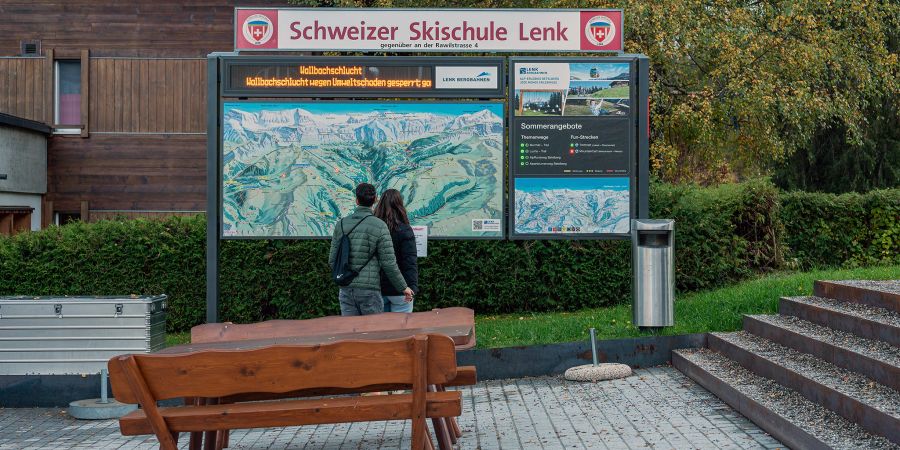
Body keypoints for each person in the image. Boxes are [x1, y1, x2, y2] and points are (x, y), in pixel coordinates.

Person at [328, 183, 414, 316]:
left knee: (350, 327)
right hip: (369, 291)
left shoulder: (341, 224)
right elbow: (389, 264)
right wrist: (403, 287)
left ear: (357, 200)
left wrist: (344, 278)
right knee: (373, 328)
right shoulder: (380, 225)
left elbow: (332, 260)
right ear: (375, 200)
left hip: (346, 289)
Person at [374, 189, 419, 313]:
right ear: (400, 205)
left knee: (380, 325)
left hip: (378, 288)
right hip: (402, 289)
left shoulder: (374, 229)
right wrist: (412, 287)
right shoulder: (405, 230)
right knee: (402, 325)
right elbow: (409, 261)